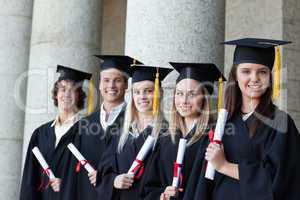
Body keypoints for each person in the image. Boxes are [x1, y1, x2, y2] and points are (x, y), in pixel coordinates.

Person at [187, 38, 300, 200]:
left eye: (262, 72)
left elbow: (281, 180)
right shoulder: (221, 124)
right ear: (235, 76)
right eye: (246, 71)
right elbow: (202, 184)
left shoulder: (281, 122)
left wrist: (224, 166)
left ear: (270, 77)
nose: (254, 78)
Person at [141, 62, 225, 200]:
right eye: (179, 94)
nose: (184, 101)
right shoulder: (166, 138)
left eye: (192, 94)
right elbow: (150, 185)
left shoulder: (214, 137)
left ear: (204, 97)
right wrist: (162, 195)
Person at [96, 64, 172, 200]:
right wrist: (114, 180)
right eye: (136, 92)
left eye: (148, 91)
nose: (141, 96)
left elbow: (167, 181)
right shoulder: (118, 132)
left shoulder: (167, 134)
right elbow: (103, 173)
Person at [20, 65, 92, 200]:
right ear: (56, 94)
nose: (66, 94)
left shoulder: (88, 131)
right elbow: (30, 178)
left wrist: (66, 185)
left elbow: (91, 176)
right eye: (63, 89)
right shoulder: (40, 133)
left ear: (79, 95)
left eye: (72, 90)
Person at [77, 55, 142, 200]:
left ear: (126, 86)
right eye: (106, 80)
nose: (111, 86)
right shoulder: (84, 124)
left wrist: (106, 179)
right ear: (99, 85)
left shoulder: (135, 122)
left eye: (117, 80)